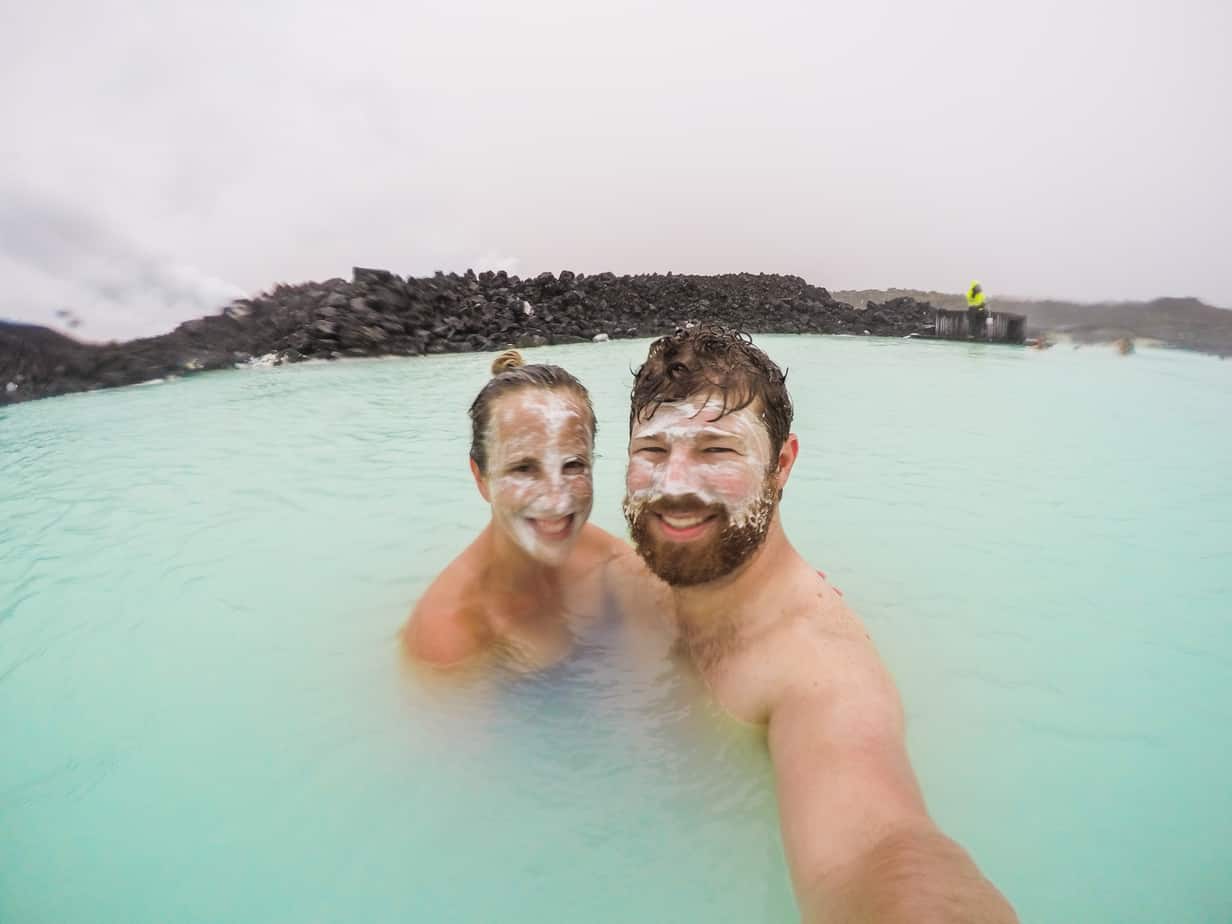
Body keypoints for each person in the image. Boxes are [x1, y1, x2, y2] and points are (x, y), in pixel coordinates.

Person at [622, 325, 1018, 923]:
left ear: (782, 465)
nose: (675, 484)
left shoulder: (818, 669)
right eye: (652, 451)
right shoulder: (639, 576)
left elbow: (879, 851)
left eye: (717, 450)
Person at [404, 350, 664, 671]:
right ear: (481, 477)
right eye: (524, 468)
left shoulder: (613, 566)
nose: (557, 501)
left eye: (573, 465)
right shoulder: (450, 631)